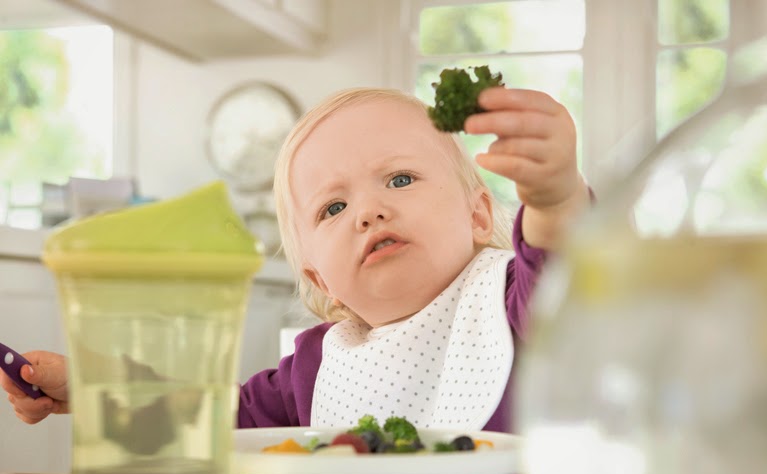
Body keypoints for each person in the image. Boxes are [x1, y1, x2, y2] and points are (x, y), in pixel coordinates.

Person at [3, 84, 589, 433]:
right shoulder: (317, 368)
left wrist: (556, 196)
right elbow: (209, 416)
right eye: (333, 209)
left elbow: (566, 270)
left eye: (401, 178)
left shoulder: (514, 302)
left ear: (480, 216)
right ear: (317, 276)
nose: (368, 212)